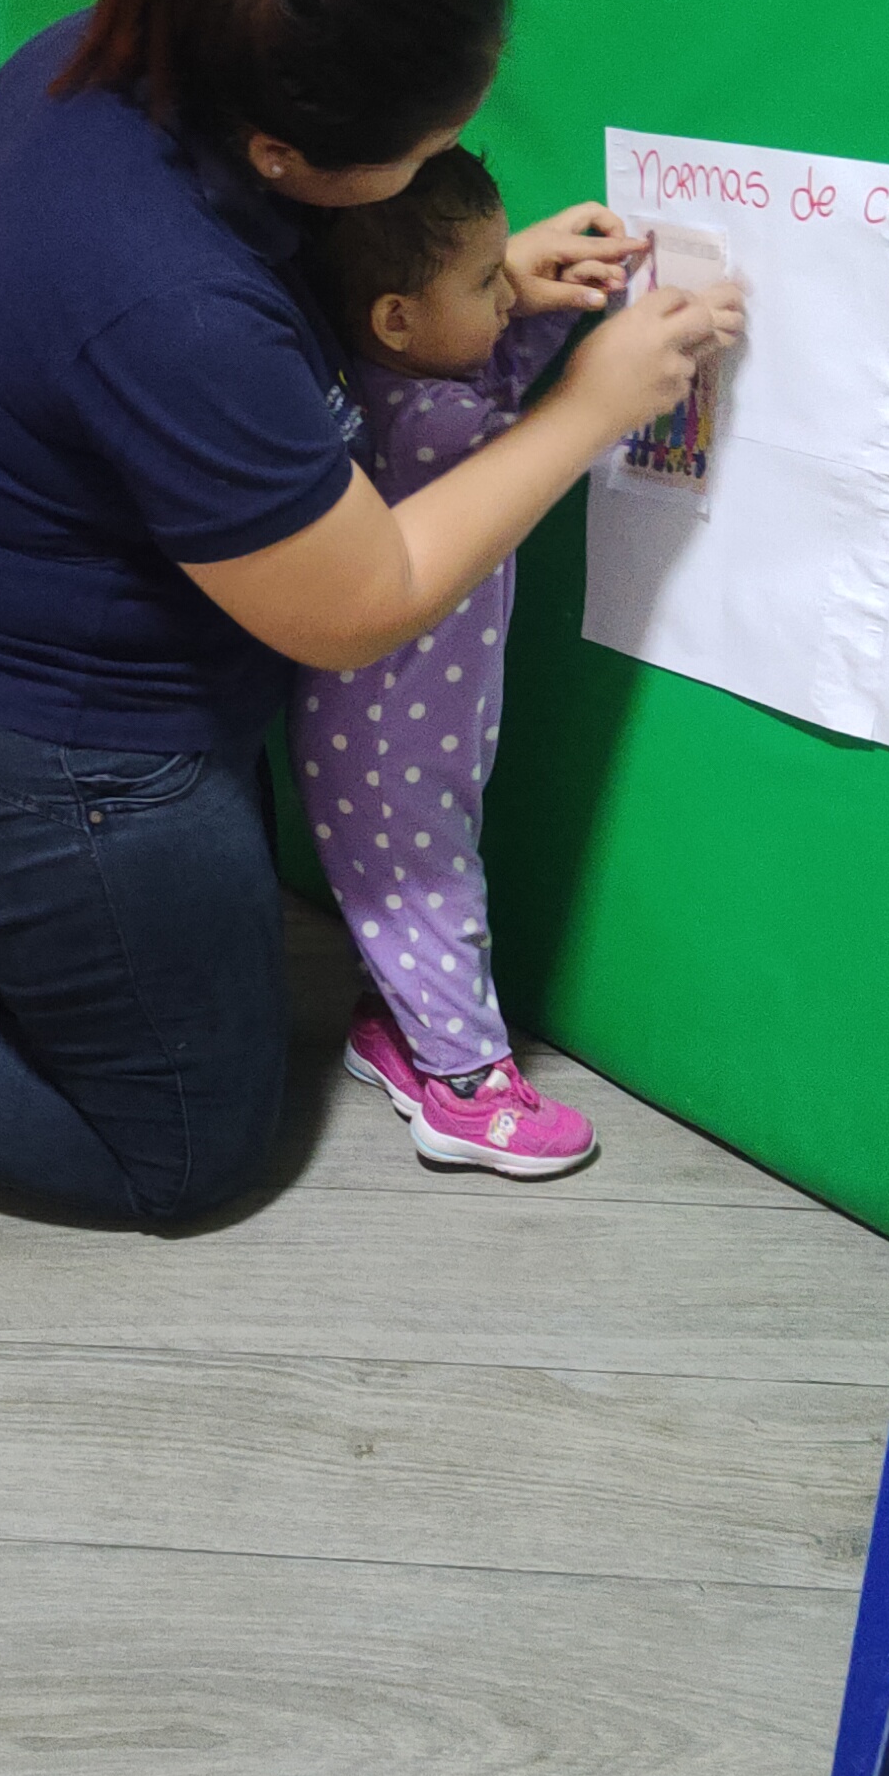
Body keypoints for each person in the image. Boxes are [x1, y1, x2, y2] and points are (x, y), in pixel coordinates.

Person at [0, 0, 742, 1225]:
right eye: (412, 157)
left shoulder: (115, 63)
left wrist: (475, 287)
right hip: (46, 750)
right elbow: (358, 601)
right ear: (286, 153)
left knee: (146, 995)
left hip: (15, 670)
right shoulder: (167, 303)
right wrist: (587, 408)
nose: (433, 169)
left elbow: (284, 297)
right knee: (185, 1151)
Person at [291, 144, 613, 1175]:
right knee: (429, 890)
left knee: (414, 886)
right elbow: (525, 433)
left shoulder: (403, 379)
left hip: (409, 719)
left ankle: (398, 1030)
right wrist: (615, 376)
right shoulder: (427, 420)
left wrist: (554, 305)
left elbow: (492, 362)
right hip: (387, 734)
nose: (508, 295)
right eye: (485, 282)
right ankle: (468, 1087)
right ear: (396, 318)